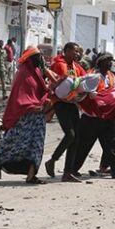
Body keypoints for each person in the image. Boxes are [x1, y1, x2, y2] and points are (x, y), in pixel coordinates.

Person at [0, 46, 56, 184]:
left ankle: (31, 175)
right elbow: (19, 96)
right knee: (14, 141)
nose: (40, 60)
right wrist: (31, 106)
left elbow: (42, 90)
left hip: (38, 116)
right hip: (24, 115)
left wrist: (45, 100)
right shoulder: (23, 73)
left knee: (37, 145)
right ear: (30, 59)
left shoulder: (37, 72)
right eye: (37, 57)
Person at [71, 53, 115, 180]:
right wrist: (92, 95)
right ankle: (72, 169)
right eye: (107, 61)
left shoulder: (111, 77)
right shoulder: (92, 76)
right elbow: (79, 92)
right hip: (91, 118)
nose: (110, 63)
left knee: (112, 144)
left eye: (111, 61)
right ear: (100, 62)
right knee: (83, 146)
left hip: (105, 117)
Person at [44, 42, 86, 182]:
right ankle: (53, 160)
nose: (77, 54)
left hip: (72, 103)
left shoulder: (76, 66)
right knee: (70, 134)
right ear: (66, 51)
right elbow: (58, 82)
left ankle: (68, 172)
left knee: (77, 137)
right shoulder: (59, 64)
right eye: (74, 51)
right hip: (60, 103)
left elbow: (83, 79)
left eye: (78, 51)